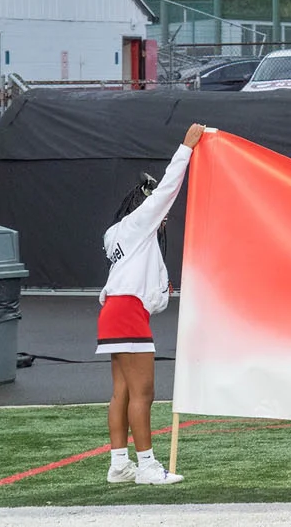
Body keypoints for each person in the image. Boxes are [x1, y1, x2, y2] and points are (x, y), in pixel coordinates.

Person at [98, 122, 203, 486]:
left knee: (122, 392)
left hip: (115, 311)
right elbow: (166, 193)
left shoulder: (117, 236)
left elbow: (146, 288)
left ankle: (119, 465)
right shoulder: (139, 225)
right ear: (144, 207)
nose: (164, 217)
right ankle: (146, 467)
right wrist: (186, 148)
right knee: (143, 393)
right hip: (127, 313)